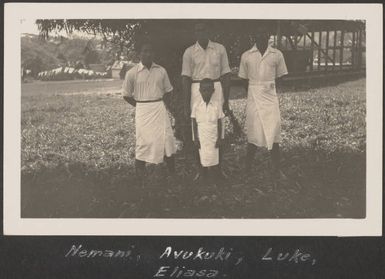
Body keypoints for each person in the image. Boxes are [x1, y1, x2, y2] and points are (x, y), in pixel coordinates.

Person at [122, 38, 177, 186]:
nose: (148, 54)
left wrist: (159, 103)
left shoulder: (161, 70)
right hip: (143, 110)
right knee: (144, 141)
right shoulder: (132, 73)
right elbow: (126, 95)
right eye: (144, 51)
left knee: (167, 139)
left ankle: (172, 173)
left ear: (154, 54)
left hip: (159, 108)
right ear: (139, 54)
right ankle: (140, 175)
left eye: (150, 51)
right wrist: (141, 106)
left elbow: (168, 91)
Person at [181, 22, 231, 179]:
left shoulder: (219, 49)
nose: (200, 33)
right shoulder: (189, 52)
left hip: (216, 87)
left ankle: (218, 168)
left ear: (209, 30)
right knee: (198, 130)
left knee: (218, 128)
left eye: (203, 29)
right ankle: (201, 170)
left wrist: (226, 99)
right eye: (197, 30)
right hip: (197, 89)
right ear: (194, 33)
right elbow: (185, 77)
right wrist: (185, 103)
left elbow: (226, 74)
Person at [238, 27, 288, 178]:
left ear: (268, 35)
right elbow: (243, 78)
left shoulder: (277, 54)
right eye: (258, 33)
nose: (261, 35)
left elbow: (281, 76)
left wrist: (268, 87)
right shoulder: (246, 55)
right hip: (253, 95)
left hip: (270, 96)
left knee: (274, 131)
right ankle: (247, 169)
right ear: (254, 35)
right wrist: (255, 90)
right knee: (253, 133)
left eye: (264, 32)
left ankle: (276, 169)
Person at [191, 78, 224, 182]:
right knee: (202, 156)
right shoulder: (196, 105)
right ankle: (203, 176)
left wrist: (220, 138)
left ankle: (216, 177)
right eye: (204, 90)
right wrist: (195, 138)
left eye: (209, 90)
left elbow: (220, 122)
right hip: (202, 136)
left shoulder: (217, 105)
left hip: (213, 135)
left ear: (213, 91)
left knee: (214, 157)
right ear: (200, 91)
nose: (206, 93)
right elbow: (193, 122)